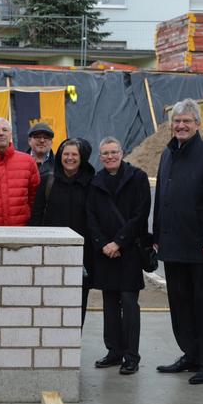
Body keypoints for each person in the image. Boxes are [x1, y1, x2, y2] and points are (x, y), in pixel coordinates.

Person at [153, 99, 203, 384]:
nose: (181, 126)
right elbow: (161, 196)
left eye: (187, 121)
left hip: (199, 246)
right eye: (177, 121)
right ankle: (190, 353)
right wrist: (157, 234)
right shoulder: (167, 155)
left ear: (197, 124)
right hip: (172, 244)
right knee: (180, 304)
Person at [86, 137, 150, 375]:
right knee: (109, 304)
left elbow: (140, 214)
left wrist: (118, 242)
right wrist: (103, 244)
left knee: (130, 304)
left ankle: (131, 356)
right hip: (105, 253)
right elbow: (90, 216)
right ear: (100, 157)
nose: (110, 156)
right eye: (105, 153)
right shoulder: (96, 182)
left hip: (129, 251)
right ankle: (114, 351)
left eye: (114, 152)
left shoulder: (138, 178)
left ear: (122, 153)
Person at [30, 137, 95, 325]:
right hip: (51, 252)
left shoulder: (92, 182)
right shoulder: (48, 181)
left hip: (83, 253)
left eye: (74, 154)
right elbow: (36, 216)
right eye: (66, 154)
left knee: (78, 300)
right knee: (49, 298)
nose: (70, 158)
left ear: (82, 157)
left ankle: (73, 342)